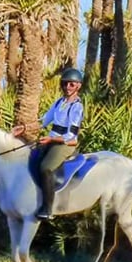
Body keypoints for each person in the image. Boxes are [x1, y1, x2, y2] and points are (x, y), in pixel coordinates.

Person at [14, 67, 84, 220]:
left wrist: (51, 139)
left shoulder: (77, 107)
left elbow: (71, 135)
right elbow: (43, 121)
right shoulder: (59, 102)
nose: (67, 87)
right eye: (65, 84)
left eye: (71, 84)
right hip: (51, 139)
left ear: (78, 86)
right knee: (30, 159)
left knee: (46, 167)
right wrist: (24, 127)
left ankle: (48, 208)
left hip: (65, 144)